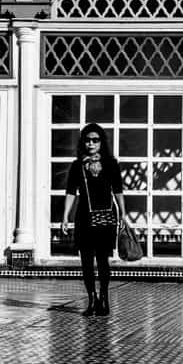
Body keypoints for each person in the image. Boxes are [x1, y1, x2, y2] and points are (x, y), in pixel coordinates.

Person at [61, 122, 128, 316]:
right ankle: (92, 300)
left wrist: (123, 212)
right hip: (84, 217)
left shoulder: (110, 164)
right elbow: (71, 192)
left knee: (103, 260)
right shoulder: (77, 165)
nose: (91, 144)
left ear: (101, 142)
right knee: (86, 261)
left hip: (106, 216)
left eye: (95, 140)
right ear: (83, 142)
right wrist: (65, 215)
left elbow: (118, 190)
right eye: (87, 140)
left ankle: (104, 299)